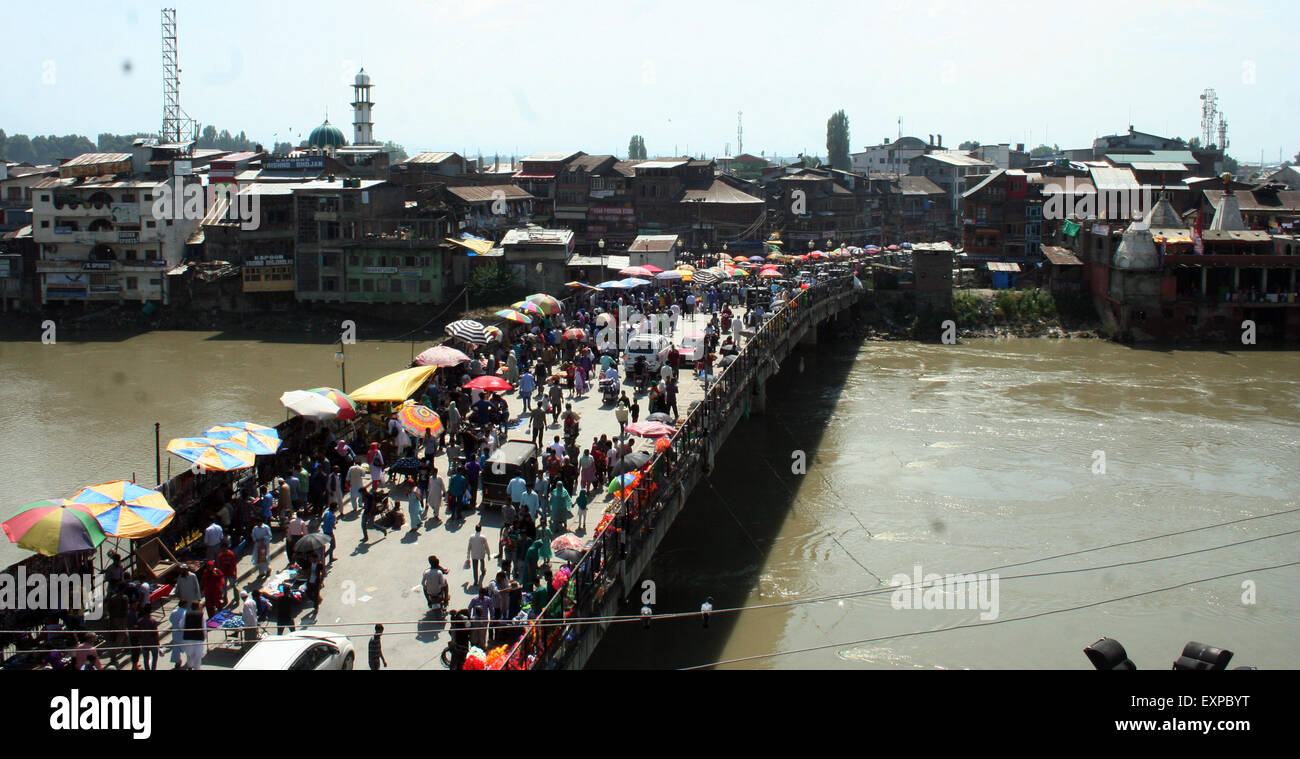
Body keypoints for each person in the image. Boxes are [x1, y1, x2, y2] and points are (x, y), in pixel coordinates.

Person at [217, 540, 238, 606]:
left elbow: (234, 565)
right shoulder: (220, 556)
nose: (223, 550)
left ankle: (237, 598)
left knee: (235, 586)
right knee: (224, 588)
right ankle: (225, 599)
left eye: (224, 548)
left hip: (231, 573)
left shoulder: (231, 554)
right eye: (222, 549)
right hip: (224, 574)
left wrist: (235, 574)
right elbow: (219, 566)